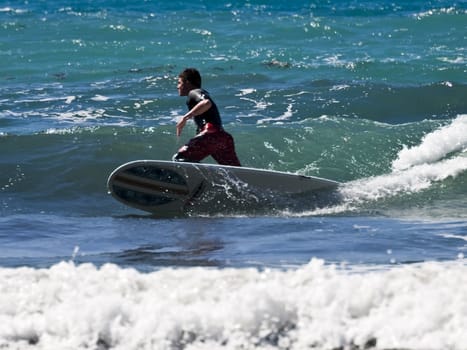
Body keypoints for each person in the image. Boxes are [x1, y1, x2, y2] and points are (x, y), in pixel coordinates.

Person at [172, 68, 241, 166]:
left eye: (179, 83)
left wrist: (185, 117)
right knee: (235, 171)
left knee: (180, 158)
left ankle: (196, 180)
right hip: (223, 138)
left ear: (187, 82)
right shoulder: (200, 92)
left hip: (211, 135)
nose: (177, 86)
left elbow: (206, 103)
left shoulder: (194, 92)